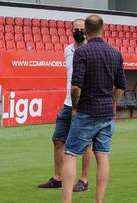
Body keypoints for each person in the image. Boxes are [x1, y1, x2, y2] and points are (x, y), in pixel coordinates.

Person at [61, 15, 126, 203]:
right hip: (106, 113)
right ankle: (98, 200)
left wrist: (75, 107)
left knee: (71, 154)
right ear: (103, 29)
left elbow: (75, 87)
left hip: (86, 111)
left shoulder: (82, 52)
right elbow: (121, 86)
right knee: (103, 155)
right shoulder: (116, 53)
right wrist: (111, 102)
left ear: (86, 31)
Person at [37, 19, 93, 192]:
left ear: (87, 30)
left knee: (86, 144)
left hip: (84, 104)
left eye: (82, 29)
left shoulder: (91, 51)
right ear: (71, 30)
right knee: (58, 140)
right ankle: (58, 178)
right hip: (68, 103)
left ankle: (83, 180)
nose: (78, 32)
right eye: (76, 29)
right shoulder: (67, 50)